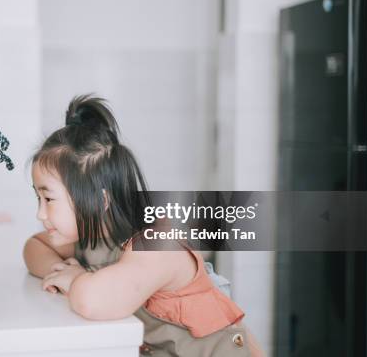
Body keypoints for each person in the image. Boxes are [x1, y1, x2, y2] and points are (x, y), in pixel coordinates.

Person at [23, 94, 263, 356]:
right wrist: (58, 272)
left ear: (98, 200)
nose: (40, 213)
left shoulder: (154, 246)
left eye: (48, 199)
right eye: (38, 197)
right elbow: (33, 247)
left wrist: (77, 279)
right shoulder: (90, 237)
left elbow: (92, 302)